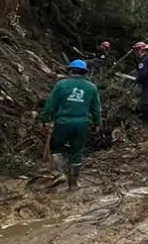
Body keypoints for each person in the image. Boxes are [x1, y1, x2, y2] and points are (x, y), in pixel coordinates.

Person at [40, 59, 102, 191]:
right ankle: (73, 184)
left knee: (56, 148)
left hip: (63, 123)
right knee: (77, 152)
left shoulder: (61, 85)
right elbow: (96, 109)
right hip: (82, 124)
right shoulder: (91, 87)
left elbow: (51, 104)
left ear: (70, 70)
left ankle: (60, 173)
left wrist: (44, 119)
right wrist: (97, 123)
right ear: (85, 72)